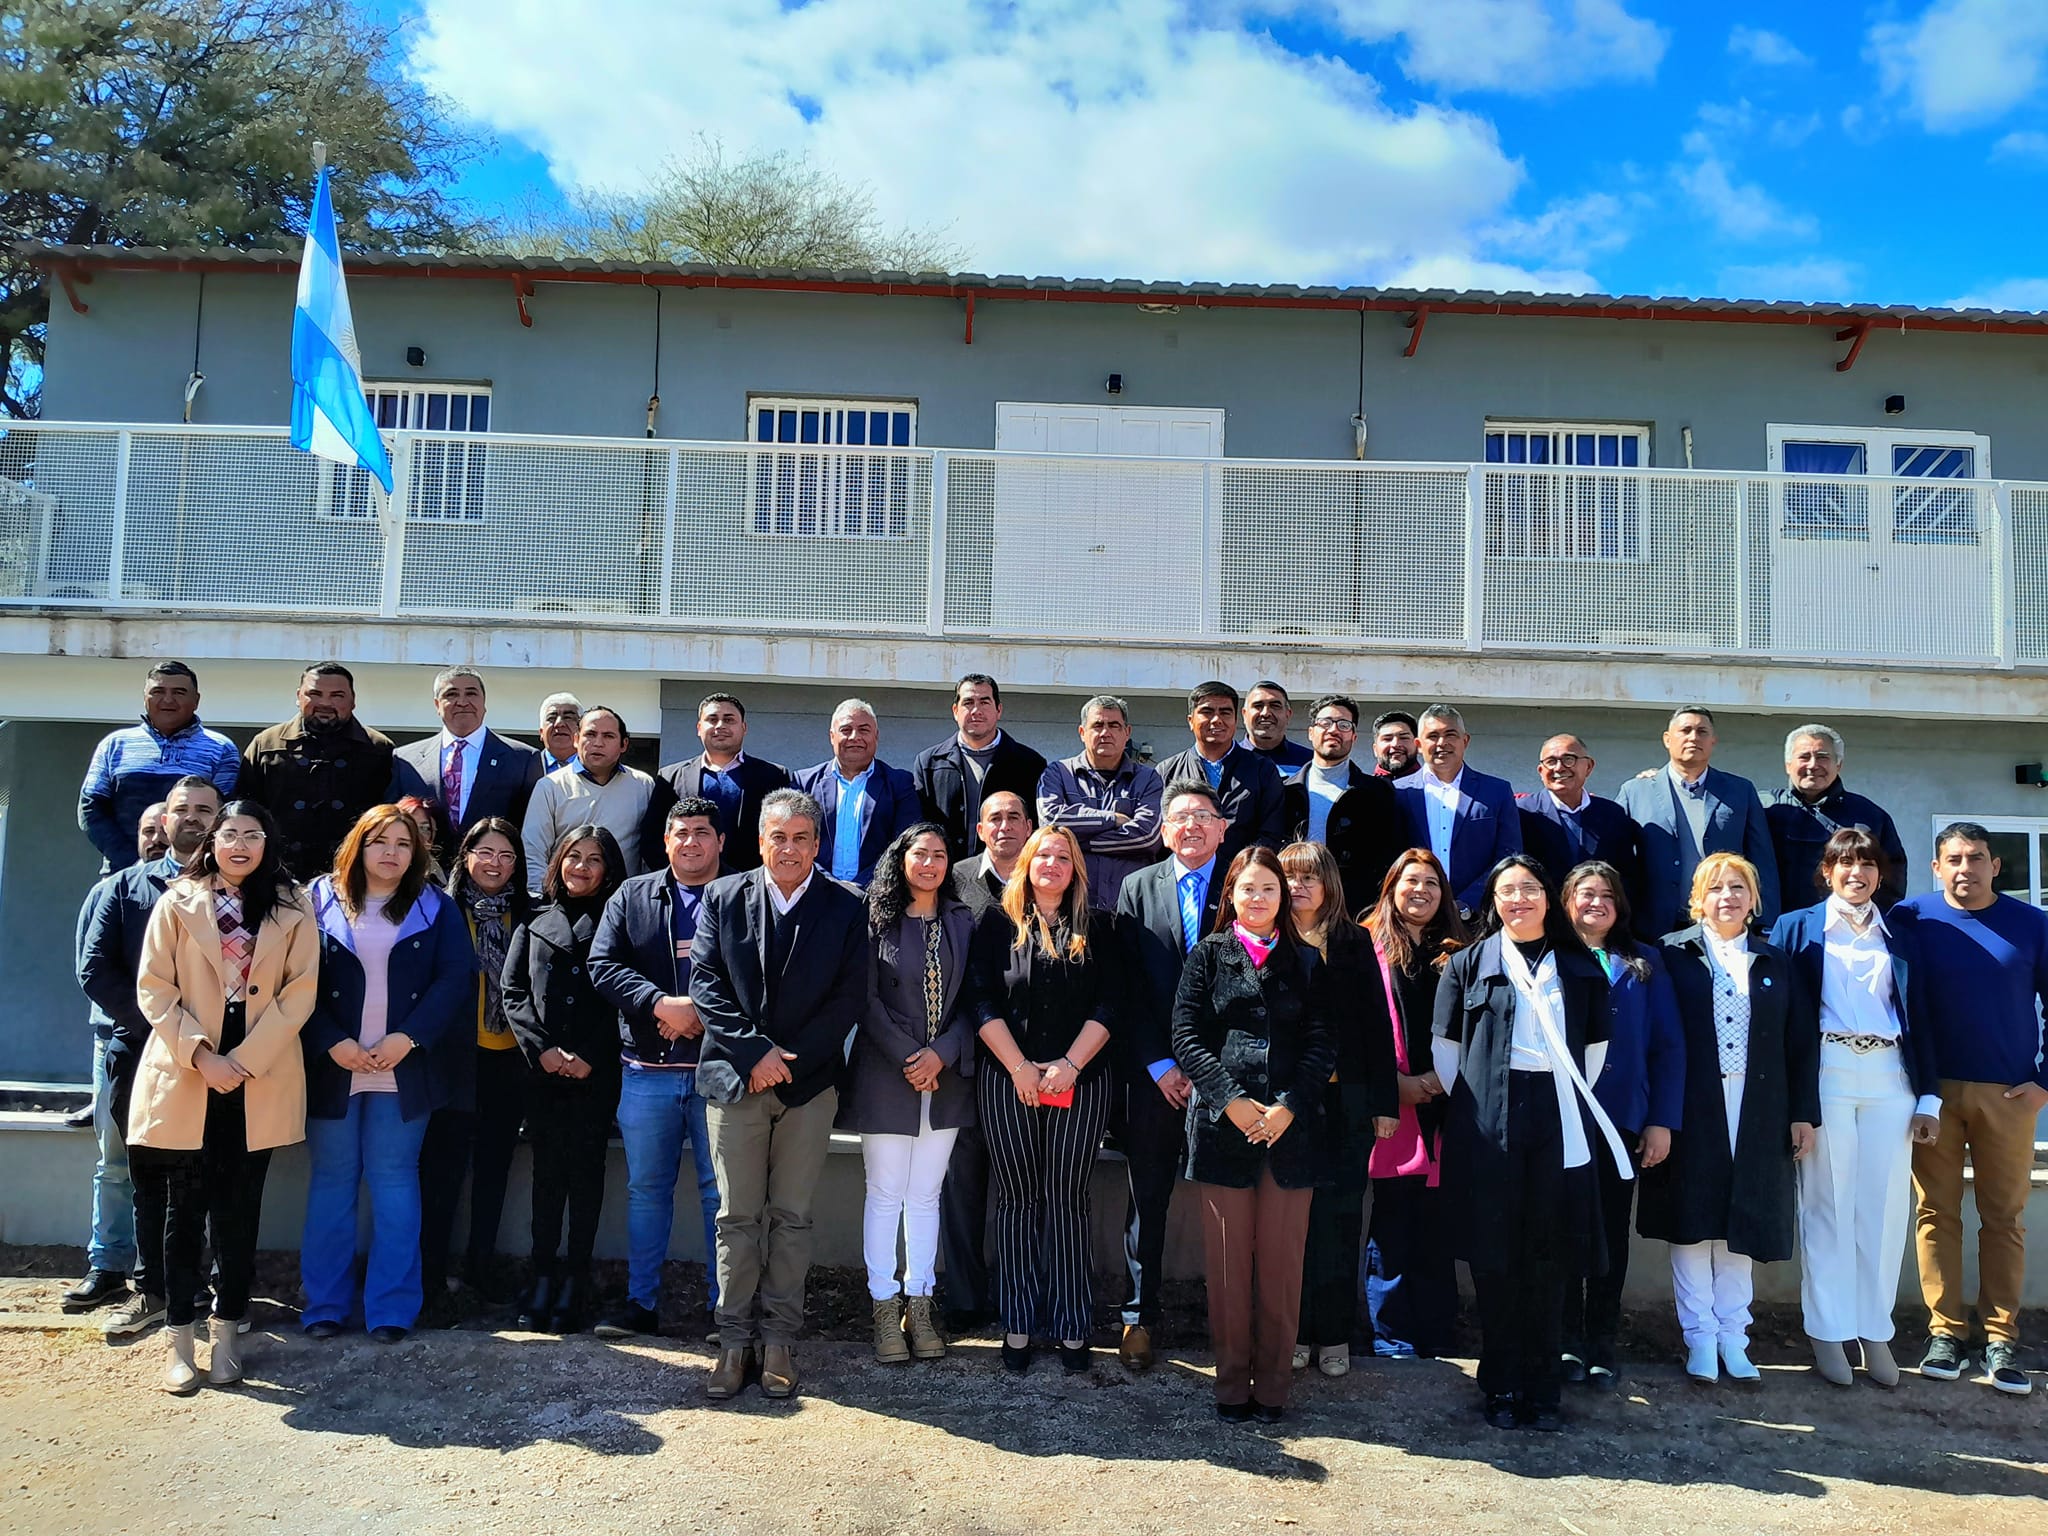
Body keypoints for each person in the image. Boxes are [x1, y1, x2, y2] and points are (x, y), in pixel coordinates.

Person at [1432, 854, 1631, 1431]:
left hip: (1559, 1118)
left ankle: (1543, 1389)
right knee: (1495, 1259)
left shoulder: (1579, 966)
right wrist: (1484, 1108)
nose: (1519, 899)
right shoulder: (1467, 965)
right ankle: (1499, 1383)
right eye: (1507, 891)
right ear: (1493, 902)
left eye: (1530, 889)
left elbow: (1593, 1053)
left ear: (1550, 897)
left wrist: (1555, 1101)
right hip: (1488, 1121)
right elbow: (1447, 1053)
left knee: (1548, 1257)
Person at [128, 799, 317, 1392]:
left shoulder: (293, 905)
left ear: (268, 843)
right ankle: (179, 1338)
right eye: (229, 833)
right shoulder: (176, 902)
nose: (240, 844)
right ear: (211, 841)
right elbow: (154, 987)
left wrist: (245, 1059)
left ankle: (228, 1330)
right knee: (182, 1210)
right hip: (191, 1065)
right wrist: (202, 1055)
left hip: (256, 1067)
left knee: (239, 1210)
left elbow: (301, 991)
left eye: (252, 834)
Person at [691, 788, 868, 1401]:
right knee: (736, 1217)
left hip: (808, 1085)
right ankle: (733, 1340)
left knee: (791, 1219)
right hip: (735, 1081)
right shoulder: (722, 896)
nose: (788, 848)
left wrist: (786, 1063)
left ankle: (780, 1341)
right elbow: (706, 985)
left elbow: (849, 998)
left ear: (817, 844)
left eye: (800, 838)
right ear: (760, 841)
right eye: (777, 837)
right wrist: (754, 1053)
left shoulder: (848, 908)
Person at [1637, 852, 1818, 1387]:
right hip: (1692, 1104)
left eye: (1738, 887)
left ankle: (1735, 1339)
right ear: (1698, 898)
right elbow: (1657, 1039)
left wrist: (1803, 1114)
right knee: (1695, 1220)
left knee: (1741, 1221)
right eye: (1716, 888)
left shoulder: (1774, 960)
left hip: (1760, 1106)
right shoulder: (1672, 956)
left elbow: (1800, 1043)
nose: (1728, 898)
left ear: (1754, 898)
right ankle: (1699, 1339)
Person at [1769, 830, 1939, 1388]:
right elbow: (1784, 1023)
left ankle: (1874, 1329)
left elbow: (1924, 1016)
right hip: (1828, 1073)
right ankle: (1828, 1328)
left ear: (1880, 872)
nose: (1856, 873)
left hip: (1891, 1077)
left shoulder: (1903, 930)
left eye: (1867, 863)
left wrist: (1929, 1095)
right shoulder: (1797, 928)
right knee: (1828, 1206)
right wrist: (1795, 1101)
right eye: (1844, 863)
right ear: (1826, 871)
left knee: (1886, 1211)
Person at [301, 806, 478, 1341]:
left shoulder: (434, 905)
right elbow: (289, 978)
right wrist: (332, 1042)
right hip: (336, 1065)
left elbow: (455, 979)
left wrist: (410, 1037)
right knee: (332, 1182)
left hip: (405, 1066)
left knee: (395, 1181)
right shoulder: (316, 898)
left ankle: (391, 1309)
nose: (392, 853)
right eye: (380, 841)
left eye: (404, 844)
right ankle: (325, 1307)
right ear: (358, 844)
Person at [1173, 846, 1335, 1422]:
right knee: (1226, 1266)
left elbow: (1322, 1044)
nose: (1259, 898)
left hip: (1291, 1131)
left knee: (1282, 1266)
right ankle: (1230, 1383)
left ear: (1282, 897)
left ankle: (1272, 1387)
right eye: (1248, 889)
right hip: (1223, 1129)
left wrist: (1288, 1106)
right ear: (1232, 896)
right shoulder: (1208, 955)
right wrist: (1231, 1100)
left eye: (1270, 888)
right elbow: (1186, 1035)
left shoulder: (1308, 961)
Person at [1897, 822, 2048, 1395]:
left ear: (1995, 866)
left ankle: (2001, 1338)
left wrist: (2044, 1082)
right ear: (1937, 867)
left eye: (1977, 858)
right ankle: (1944, 1332)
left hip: (2009, 1096)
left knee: (2004, 1218)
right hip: (1931, 1094)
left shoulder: (2031, 925)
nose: (1966, 868)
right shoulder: (1912, 919)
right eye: (1954, 858)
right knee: (1935, 1212)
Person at [70, 782, 222, 1325]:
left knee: (203, 1171)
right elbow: (95, 969)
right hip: (137, 1050)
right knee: (138, 1167)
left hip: (214, 1054)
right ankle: (141, 1281)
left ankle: (198, 1281)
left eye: (206, 809)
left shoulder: (236, 891)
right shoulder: (123, 889)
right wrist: (162, 1028)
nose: (193, 819)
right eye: (183, 810)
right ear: (165, 819)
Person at [970, 824, 1115, 1375]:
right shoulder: (995, 923)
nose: (1051, 863)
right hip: (1008, 1078)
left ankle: (1073, 1324)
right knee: (1015, 1200)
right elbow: (981, 1001)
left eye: (1062, 856)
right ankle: (1018, 1322)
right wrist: (1021, 1069)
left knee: (1067, 1199)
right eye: (1042, 855)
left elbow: (1110, 1003)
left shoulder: (1099, 925)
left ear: (1075, 868)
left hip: (1080, 1080)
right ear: (1025, 863)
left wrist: (1070, 1065)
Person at [587, 797, 730, 1341]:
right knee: (647, 1190)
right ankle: (640, 1303)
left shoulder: (740, 895)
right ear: (665, 841)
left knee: (721, 1194)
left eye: (701, 832)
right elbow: (603, 965)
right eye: (680, 832)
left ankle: (725, 1311)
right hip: (647, 1070)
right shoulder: (633, 894)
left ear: (719, 841)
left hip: (717, 1073)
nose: (690, 841)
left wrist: (696, 1013)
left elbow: (756, 973)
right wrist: (658, 1004)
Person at [839, 824, 977, 1363]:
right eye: (919, 853)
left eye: (940, 855)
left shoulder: (964, 921)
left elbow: (977, 997)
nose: (930, 863)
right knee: (885, 1193)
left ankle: (919, 1306)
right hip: (885, 1072)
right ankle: (882, 1307)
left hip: (947, 1075)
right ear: (901, 860)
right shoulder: (874, 919)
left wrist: (941, 1053)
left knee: (926, 1196)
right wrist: (907, 1056)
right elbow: (864, 999)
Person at [1111, 781, 1227, 1369]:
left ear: (1222, 827)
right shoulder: (1137, 887)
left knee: (1230, 1201)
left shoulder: (1244, 885)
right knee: (1147, 1197)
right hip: (1153, 1076)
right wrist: (1160, 1064)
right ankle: (1138, 1317)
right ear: (1163, 828)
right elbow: (1126, 988)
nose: (1191, 827)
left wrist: (1210, 1071)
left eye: (1203, 817)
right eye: (1180, 817)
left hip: (1227, 1079)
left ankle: (1233, 1324)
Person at [1557, 859, 1685, 1392]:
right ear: (1566, 902)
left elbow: (1668, 1047)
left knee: (1610, 1233)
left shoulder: (1645, 963)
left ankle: (1601, 1343)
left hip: (1622, 1123)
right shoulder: (1549, 959)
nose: (1596, 903)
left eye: (1607, 895)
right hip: (1562, 1118)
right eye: (1585, 893)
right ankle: (1563, 1340)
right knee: (1562, 1231)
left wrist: (1661, 1122)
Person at [505, 825, 627, 1334]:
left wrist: (593, 1057)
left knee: (587, 1173)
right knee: (547, 1174)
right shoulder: (533, 921)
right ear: (557, 862)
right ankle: (543, 1275)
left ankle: (576, 1278)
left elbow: (625, 997)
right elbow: (513, 992)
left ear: (608, 869)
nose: (581, 867)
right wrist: (544, 1051)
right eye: (572, 857)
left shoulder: (622, 921)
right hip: (545, 1072)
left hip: (596, 1073)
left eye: (593, 859)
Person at [1282, 841, 1397, 1379]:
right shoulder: (1269, 939)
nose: (1299, 887)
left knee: (1341, 1218)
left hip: (1345, 1100)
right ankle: (1297, 1330)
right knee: (1293, 1221)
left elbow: (1377, 1024)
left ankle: (1334, 1334)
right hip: (1288, 1104)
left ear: (1329, 884)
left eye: (1310, 878)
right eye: (1289, 877)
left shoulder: (1355, 941)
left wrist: (1383, 1103)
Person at [417, 818, 533, 1317]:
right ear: (465, 857)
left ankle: (482, 1267)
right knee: (441, 1174)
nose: (495, 864)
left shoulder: (529, 914)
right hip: (451, 1057)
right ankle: (430, 1280)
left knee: (493, 1171)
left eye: (506, 855)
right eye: (485, 852)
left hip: (509, 1060)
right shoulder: (440, 910)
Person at [1359, 850, 1468, 1359]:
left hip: (1446, 1104)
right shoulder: (1365, 945)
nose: (1420, 890)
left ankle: (1438, 1331)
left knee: (1439, 1224)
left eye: (1431, 882)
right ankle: (1392, 1334)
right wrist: (1395, 1084)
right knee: (1394, 1223)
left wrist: (1440, 1080)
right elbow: (1354, 1029)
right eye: (1410, 881)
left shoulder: (1460, 953)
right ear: (1390, 887)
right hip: (1391, 1103)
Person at [937, 789, 1031, 1332]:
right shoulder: (956, 881)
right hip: (964, 1055)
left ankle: (1024, 1294)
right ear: (979, 828)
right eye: (994, 818)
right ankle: (967, 1299)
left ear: (1028, 825)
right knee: (962, 1182)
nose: (1004, 826)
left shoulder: (1047, 875)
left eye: (1014, 817)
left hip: (1026, 1058)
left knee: (1024, 1185)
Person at [1616, 706, 1780, 939]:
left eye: (1702, 731)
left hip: (1723, 923)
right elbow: (1617, 859)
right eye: (1686, 730)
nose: (1694, 737)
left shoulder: (1740, 790)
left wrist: (1765, 923)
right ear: (1667, 739)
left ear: (1713, 740)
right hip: (1653, 925)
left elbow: (1761, 860)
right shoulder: (1636, 791)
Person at [78, 661, 239, 874]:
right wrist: (132, 863)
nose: (168, 700)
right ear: (145, 697)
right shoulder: (114, 745)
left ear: (196, 700)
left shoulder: (221, 749)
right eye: (158, 691)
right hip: (121, 872)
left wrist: (189, 862)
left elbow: (224, 816)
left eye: (179, 692)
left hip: (194, 876)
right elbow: (91, 809)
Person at [240, 663, 396, 879]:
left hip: (355, 878)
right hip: (276, 877)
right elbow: (243, 813)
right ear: (298, 696)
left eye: (337, 695)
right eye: (315, 694)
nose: (325, 703)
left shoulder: (379, 749)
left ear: (353, 700)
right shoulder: (266, 745)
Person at [388, 666, 543, 850]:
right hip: (423, 873)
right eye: (451, 694)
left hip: (492, 871)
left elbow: (531, 829)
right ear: (437, 705)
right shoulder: (405, 760)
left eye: (471, 693)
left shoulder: (523, 758)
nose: (462, 702)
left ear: (484, 702)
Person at [1392, 705, 1522, 920]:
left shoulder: (1496, 791)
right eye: (1432, 736)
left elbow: (1509, 855)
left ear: (1465, 741)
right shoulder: (1398, 792)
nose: (1442, 743)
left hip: (1477, 919)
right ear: (1419, 745)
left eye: (1450, 734)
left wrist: (1466, 904)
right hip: (1412, 917)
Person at [1764, 725, 1908, 917]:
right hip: (1770, 933)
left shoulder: (1869, 817)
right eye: (1804, 757)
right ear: (1788, 765)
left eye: (1823, 757)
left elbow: (1892, 879)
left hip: (1844, 933)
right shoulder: (1762, 809)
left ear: (1838, 764)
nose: (1813, 765)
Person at [1036, 693, 1164, 908]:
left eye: (1114, 725)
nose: (1106, 733)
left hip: (1129, 908)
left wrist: (1076, 843)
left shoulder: (1148, 779)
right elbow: (1051, 824)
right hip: (1071, 907)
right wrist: (1112, 819)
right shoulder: (1058, 774)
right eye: (1097, 725)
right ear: (1082, 732)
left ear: (1127, 733)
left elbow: (1147, 838)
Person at [1280, 693, 1402, 912]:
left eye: (1344, 725)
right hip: (1290, 904)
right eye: (1325, 723)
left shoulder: (1377, 793)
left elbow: (1388, 858)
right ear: (1311, 733)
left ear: (1354, 736)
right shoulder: (1284, 790)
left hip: (1352, 910)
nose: (1334, 730)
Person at [648, 693, 790, 874]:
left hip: (750, 886)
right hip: (688, 886)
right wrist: (680, 877)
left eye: (729, 720)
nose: (720, 725)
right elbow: (652, 837)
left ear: (744, 728)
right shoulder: (670, 778)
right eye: (712, 719)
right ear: (699, 728)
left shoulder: (774, 776)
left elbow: (783, 832)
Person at [913, 674, 1048, 861]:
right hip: (945, 877)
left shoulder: (1030, 764)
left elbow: (1037, 829)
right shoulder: (929, 763)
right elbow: (920, 828)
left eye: (984, 702)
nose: (976, 710)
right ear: (955, 711)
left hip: (1007, 877)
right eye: (968, 702)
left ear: (998, 710)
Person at [1154, 681, 1285, 870]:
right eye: (1207, 712)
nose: (1217, 720)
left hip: (1241, 880)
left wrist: (1241, 871)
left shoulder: (1262, 770)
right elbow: (1160, 835)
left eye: (1225, 712)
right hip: (1183, 878)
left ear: (1236, 720)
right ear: (1190, 720)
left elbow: (1272, 834)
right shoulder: (1167, 771)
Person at [790, 698, 921, 887]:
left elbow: (904, 844)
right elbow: (796, 840)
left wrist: (861, 886)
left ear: (876, 736)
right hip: (814, 893)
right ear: (832, 736)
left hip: (876, 895)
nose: (854, 737)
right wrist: (827, 883)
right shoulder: (803, 783)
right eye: (846, 730)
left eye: (864, 730)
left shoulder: (899, 784)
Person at [522, 706, 659, 884]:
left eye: (608, 736)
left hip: (623, 901)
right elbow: (533, 851)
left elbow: (651, 850)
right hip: (566, 900)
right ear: (576, 739)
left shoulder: (643, 785)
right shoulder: (550, 787)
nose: (598, 743)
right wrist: (540, 898)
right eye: (590, 734)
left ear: (624, 744)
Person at [1517, 734, 1645, 916]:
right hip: (1543, 923)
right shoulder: (1521, 813)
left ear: (1589, 766)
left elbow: (1626, 875)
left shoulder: (1612, 814)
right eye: (1551, 761)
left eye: (1569, 759)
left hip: (1598, 923)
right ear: (1540, 770)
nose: (1559, 768)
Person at [1242, 680, 1313, 771]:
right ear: (1244, 714)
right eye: (1258, 706)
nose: (1265, 713)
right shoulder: (1227, 760)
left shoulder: (1309, 763)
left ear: (1288, 715)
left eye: (1275, 706)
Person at [537, 693, 583, 775]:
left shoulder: (596, 768)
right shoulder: (525, 767)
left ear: (581, 730)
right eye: (552, 718)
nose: (559, 724)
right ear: (541, 732)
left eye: (568, 717)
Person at [1370, 710, 1421, 781]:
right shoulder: (1361, 790)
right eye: (1387, 739)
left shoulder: (1435, 788)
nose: (1395, 744)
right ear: (1375, 749)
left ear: (1418, 745)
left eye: (1403, 738)